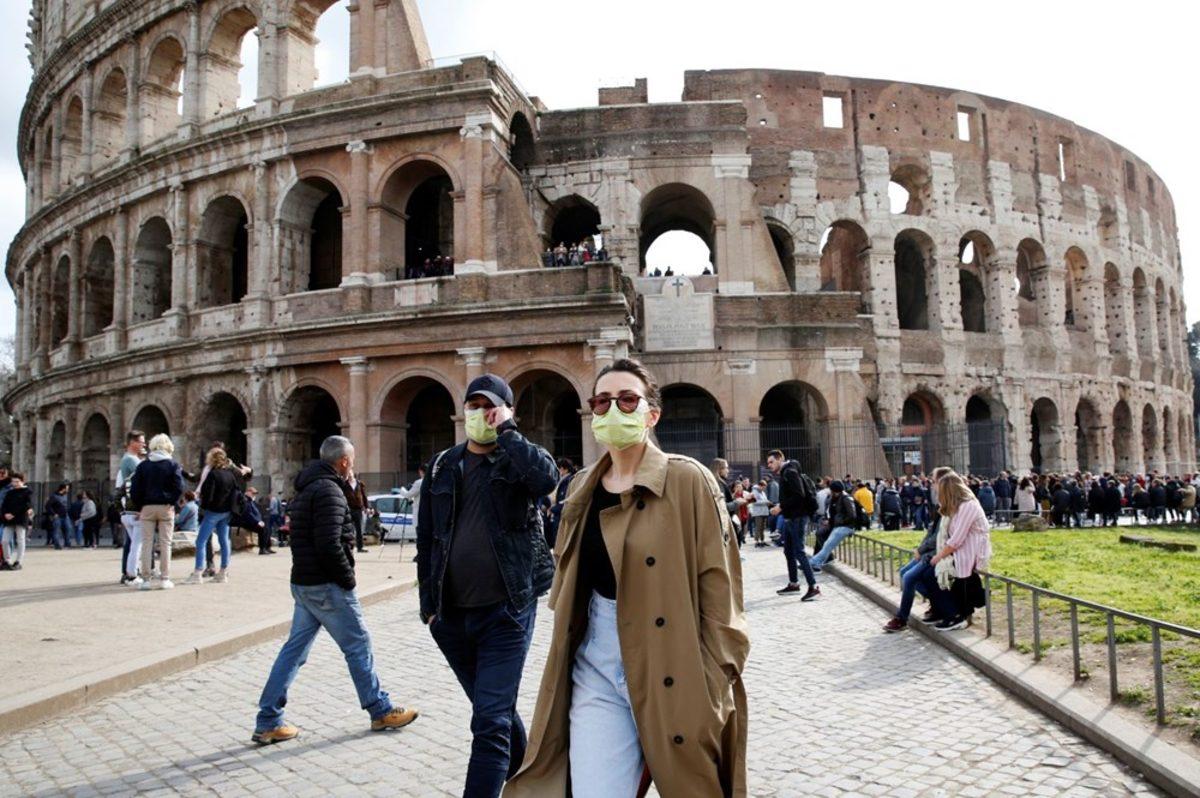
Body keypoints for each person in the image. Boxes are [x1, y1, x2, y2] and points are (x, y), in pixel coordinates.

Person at [506, 358, 749, 798]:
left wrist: (714, 682)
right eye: (602, 401)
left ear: (651, 414)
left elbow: (722, 591)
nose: (613, 409)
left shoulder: (688, 479)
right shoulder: (580, 486)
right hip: (597, 661)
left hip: (675, 662)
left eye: (627, 399)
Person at [417, 373, 557, 798]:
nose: (481, 414)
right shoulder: (444, 465)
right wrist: (430, 608)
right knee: (492, 711)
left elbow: (546, 480)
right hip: (452, 618)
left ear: (506, 410)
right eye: (474, 406)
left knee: (489, 721)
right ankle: (534, 775)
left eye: (490, 406)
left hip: (507, 611)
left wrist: (509, 432)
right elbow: (427, 538)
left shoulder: (517, 461)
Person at [252, 435, 418, 744]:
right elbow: (330, 543)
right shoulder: (329, 490)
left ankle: (268, 719)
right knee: (358, 644)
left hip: (303, 582)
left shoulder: (309, 488)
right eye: (351, 462)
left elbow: (348, 514)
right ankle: (379, 709)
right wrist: (348, 579)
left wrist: (351, 486)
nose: (353, 466)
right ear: (343, 462)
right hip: (326, 584)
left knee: (294, 652)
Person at [927, 472, 993, 631]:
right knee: (934, 574)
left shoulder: (968, 505)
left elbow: (958, 538)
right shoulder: (958, 506)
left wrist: (939, 556)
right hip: (962, 547)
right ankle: (951, 612)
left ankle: (959, 615)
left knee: (954, 574)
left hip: (971, 547)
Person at [129, 434, 185, 590]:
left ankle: (146, 579)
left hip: (147, 507)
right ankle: (164, 578)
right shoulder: (173, 465)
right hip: (166, 507)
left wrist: (140, 505)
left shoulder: (143, 466)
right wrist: (172, 501)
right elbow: (179, 487)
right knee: (165, 543)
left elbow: (134, 490)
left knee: (147, 543)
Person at [766, 450, 819, 600]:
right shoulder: (786, 472)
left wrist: (780, 507)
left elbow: (799, 495)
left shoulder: (789, 472)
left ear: (780, 459)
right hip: (790, 518)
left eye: (771, 462)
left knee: (799, 552)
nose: (769, 465)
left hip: (798, 517)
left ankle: (813, 587)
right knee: (789, 552)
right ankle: (794, 584)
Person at [187, 448, 240, 584]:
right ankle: (223, 572)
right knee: (224, 541)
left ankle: (198, 572)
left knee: (201, 541)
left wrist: (202, 505)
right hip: (227, 512)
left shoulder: (213, 474)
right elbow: (235, 492)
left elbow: (208, 495)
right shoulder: (230, 475)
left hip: (214, 511)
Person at [116, 431, 147, 583]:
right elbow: (144, 481)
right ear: (132, 443)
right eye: (141, 441)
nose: (144, 444)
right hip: (135, 508)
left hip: (128, 508)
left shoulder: (130, 459)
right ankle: (132, 574)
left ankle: (130, 572)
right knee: (136, 545)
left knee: (134, 544)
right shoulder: (130, 460)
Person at [810, 480, 856, 570]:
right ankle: (822, 560)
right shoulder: (836, 498)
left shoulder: (846, 498)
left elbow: (852, 515)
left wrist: (840, 522)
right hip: (837, 525)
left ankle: (812, 562)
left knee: (828, 544)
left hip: (846, 526)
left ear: (835, 491)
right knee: (821, 535)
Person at [0, 472, 33, 571]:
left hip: (21, 519)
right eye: (13, 482)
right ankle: (7, 560)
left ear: (22, 481)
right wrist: (5, 514)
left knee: (20, 540)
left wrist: (13, 514)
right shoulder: (10, 492)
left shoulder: (28, 492)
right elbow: (4, 505)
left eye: (17, 481)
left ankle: (18, 561)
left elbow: (26, 505)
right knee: (4, 541)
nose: (15, 484)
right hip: (8, 519)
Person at [547, 458, 578, 549]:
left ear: (565, 469)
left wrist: (552, 509)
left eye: (559, 468)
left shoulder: (567, 481)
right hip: (560, 515)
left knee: (560, 544)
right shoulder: (566, 480)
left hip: (561, 516)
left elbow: (563, 501)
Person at [235, 486, 272, 555]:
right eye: (253, 493)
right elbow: (248, 514)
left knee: (266, 528)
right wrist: (257, 521)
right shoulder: (245, 500)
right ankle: (262, 549)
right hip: (246, 522)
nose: (254, 495)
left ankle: (266, 547)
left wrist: (260, 520)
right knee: (263, 529)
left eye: (255, 494)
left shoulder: (250, 500)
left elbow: (256, 512)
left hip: (252, 521)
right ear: (248, 492)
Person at [345, 469, 370, 553]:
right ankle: (350, 546)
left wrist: (367, 507)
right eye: (347, 474)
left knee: (359, 530)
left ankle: (360, 547)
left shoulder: (359, 484)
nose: (349, 475)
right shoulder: (344, 484)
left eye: (350, 473)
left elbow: (364, 496)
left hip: (358, 509)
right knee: (349, 529)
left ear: (353, 474)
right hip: (349, 509)